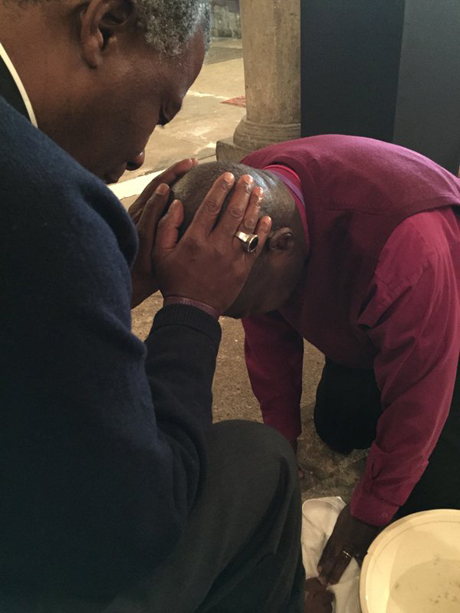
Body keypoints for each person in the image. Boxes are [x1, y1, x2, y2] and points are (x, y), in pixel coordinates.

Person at [0, 1, 334, 612]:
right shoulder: (46, 208)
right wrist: (191, 309)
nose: (137, 157)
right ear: (104, 27)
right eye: (161, 111)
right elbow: (143, 518)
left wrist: (115, 279)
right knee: (263, 461)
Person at [168, 136, 460, 585]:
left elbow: (420, 396)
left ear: (282, 245)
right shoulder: (248, 199)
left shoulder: (410, 251)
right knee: (337, 427)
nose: (244, 318)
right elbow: (266, 332)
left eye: (243, 307)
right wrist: (280, 435)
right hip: (371, 319)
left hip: (445, 316)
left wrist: (368, 511)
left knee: (423, 506)